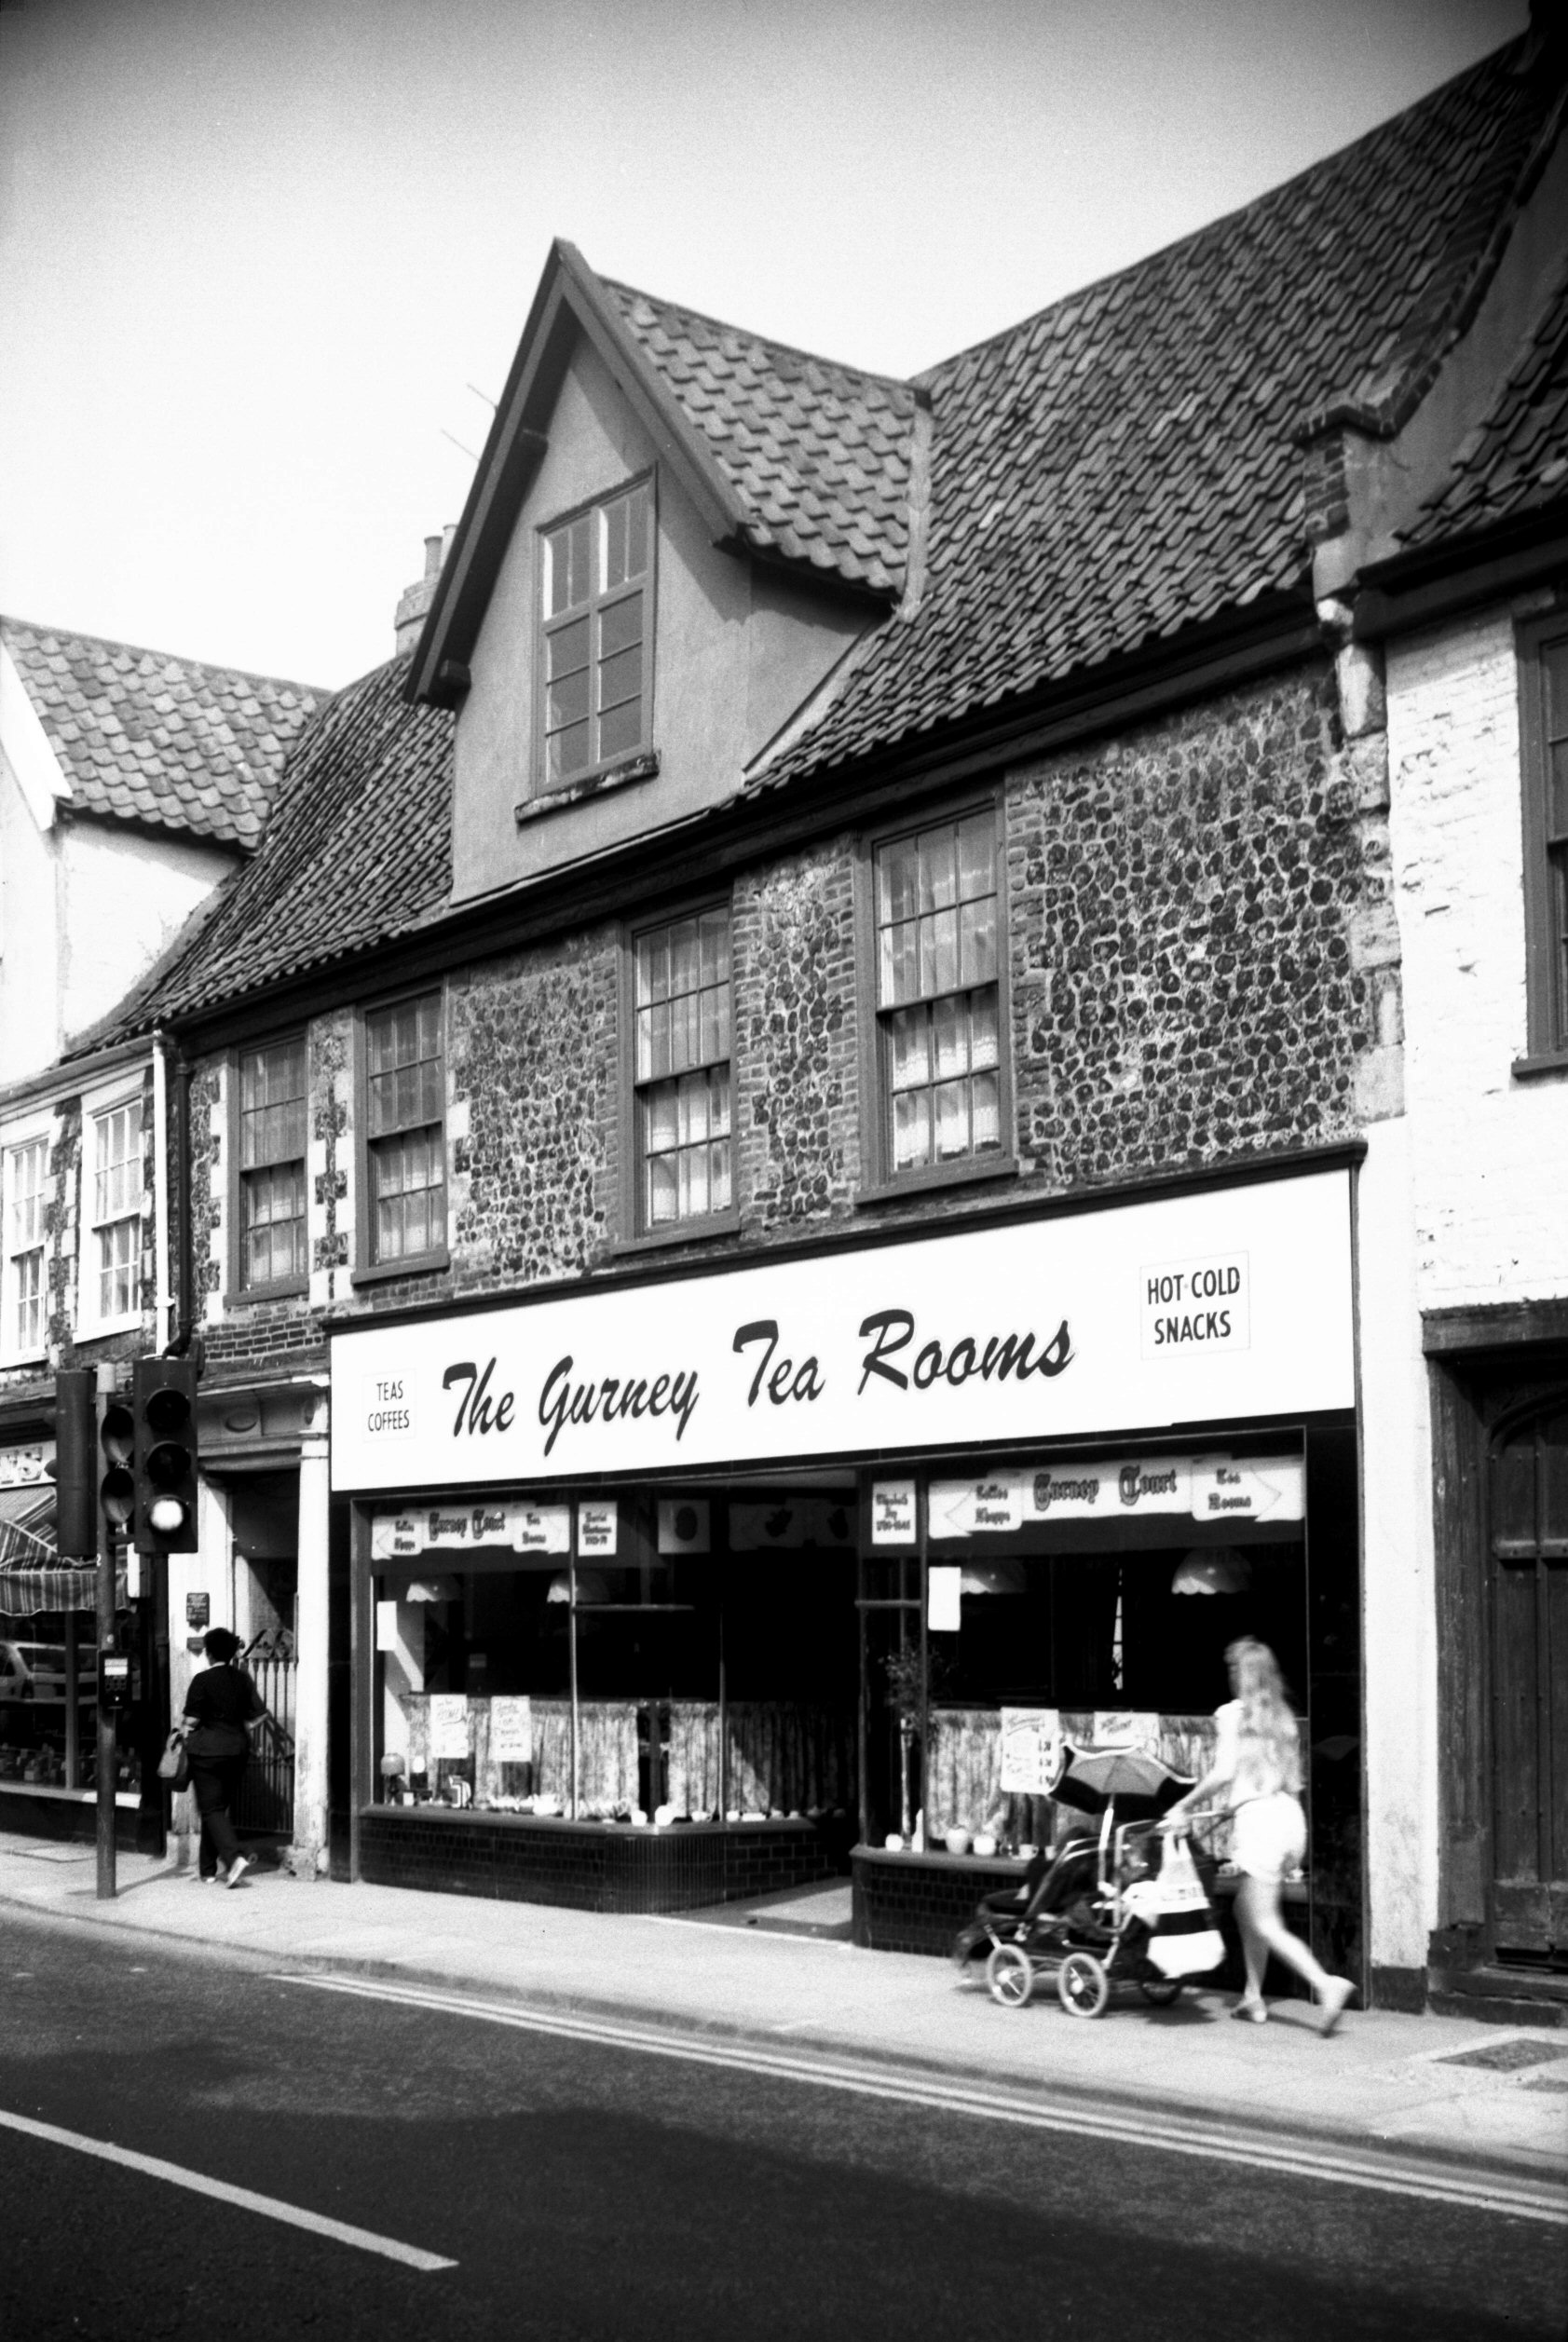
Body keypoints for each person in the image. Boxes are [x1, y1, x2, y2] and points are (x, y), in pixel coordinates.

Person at [1165, 1637, 1353, 2033]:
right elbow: (1296, 1784)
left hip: (1261, 1823)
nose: (1230, 1675)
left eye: (1235, 1669)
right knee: (1244, 1909)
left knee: (1264, 1920)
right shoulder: (1284, 1720)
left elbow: (1222, 1773)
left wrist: (1184, 1805)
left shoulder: (1233, 1715)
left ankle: (1325, 1984)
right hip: (1290, 1820)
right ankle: (1253, 1998)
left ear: (1244, 1675)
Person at [180, 1627, 266, 1887]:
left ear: (209, 1652)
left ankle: (233, 1857)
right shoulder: (243, 1679)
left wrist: (183, 1725)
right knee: (216, 1809)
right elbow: (260, 1714)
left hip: (207, 1752)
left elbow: (192, 1720)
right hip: (237, 1750)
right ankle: (207, 1870)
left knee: (211, 1808)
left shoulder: (202, 1680)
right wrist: (243, 1728)